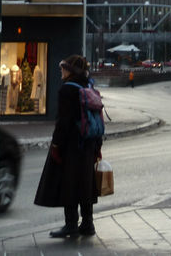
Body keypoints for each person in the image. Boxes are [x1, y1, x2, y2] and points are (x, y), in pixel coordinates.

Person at [34, 55, 101, 238]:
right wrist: (97, 145)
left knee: (69, 184)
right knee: (86, 184)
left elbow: (63, 122)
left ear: (70, 71)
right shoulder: (89, 86)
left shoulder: (67, 90)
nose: (61, 71)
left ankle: (71, 224)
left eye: (63, 68)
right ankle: (88, 224)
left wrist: (56, 144)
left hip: (72, 145)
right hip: (88, 143)